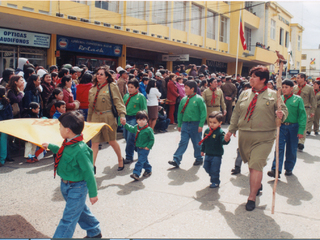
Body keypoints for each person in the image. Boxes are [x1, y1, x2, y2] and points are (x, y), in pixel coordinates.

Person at [225, 65, 288, 211]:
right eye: (250, 76)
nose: (250, 79)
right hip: (245, 135)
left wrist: (281, 115)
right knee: (252, 166)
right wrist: (231, 130)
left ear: (263, 79)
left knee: (255, 165)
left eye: (254, 76)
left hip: (264, 137)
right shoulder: (244, 94)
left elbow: (283, 111)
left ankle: (251, 197)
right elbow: (236, 113)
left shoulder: (274, 95)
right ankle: (257, 185)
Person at [42, 111, 102, 238]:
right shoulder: (68, 142)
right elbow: (64, 152)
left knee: (68, 219)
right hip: (65, 185)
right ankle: (94, 230)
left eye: (60, 127)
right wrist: (52, 147)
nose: (59, 129)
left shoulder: (81, 149)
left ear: (68, 130)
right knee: (79, 211)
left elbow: (89, 172)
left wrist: (93, 193)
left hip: (77, 187)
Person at [88, 67, 126, 173]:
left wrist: (122, 115)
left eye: (101, 74)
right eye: (97, 74)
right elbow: (90, 106)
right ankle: (92, 166)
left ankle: (120, 159)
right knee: (94, 142)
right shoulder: (93, 88)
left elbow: (118, 101)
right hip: (95, 116)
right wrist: (89, 119)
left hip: (107, 116)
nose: (98, 76)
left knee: (111, 140)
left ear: (106, 76)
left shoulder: (112, 86)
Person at [267, 80, 306, 178]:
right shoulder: (279, 99)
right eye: (283, 87)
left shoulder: (298, 99)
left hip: (293, 127)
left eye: (286, 87)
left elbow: (302, 115)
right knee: (278, 148)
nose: (284, 89)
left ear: (292, 88)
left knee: (291, 149)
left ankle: (289, 168)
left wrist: (301, 130)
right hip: (281, 126)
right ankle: (276, 169)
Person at [168, 80, 207, 167]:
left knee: (197, 142)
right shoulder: (184, 100)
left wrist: (201, 125)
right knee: (183, 142)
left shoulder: (199, 99)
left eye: (186, 88)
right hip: (185, 124)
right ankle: (176, 159)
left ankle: (199, 158)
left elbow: (203, 113)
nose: (184, 90)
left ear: (192, 89)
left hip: (195, 124)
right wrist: (179, 124)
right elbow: (180, 113)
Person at [200, 111, 230, 188]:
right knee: (206, 167)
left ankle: (215, 181)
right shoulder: (207, 131)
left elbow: (223, 141)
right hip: (208, 154)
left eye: (214, 122)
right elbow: (204, 141)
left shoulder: (220, 132)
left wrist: (227, 139)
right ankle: (213, 175)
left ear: (220, 123)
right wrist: (202, 150)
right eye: (210, 122)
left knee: (215, 170)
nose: (212, 124)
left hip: (216, 155)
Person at [122, 111, 155, 181]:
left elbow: (152, 139)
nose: (141, 122)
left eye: (143, 120)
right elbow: (130, 128)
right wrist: (125, 124)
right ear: (137, 120)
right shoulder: (136, 128)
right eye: (139, 120)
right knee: (144, 160)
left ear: (147, 120)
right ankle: (148, 170)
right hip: (138, 148)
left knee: (140, 161)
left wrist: (148, 147)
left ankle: (136, 173)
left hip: (145, 149)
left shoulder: (148, 130)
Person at [122, 79, 147, 164]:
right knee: (126, 137)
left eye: (132, 87)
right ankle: (140, 150)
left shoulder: (141, 97)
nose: (129, 89)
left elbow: (144, 110)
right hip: (126, 118)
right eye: (128, 87)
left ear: (137, 88)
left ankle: (129, 157)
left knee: (130, 138)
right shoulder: (126, 96)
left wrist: (143, 122)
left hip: (134, 119)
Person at [293, 73, 316, 151]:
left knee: (303, 125)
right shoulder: (295, 88)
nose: (297, 79)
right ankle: (295, 141)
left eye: (298, 78)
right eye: (297, 78)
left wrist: (312, 111)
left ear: (303, 79)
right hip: (295, 109)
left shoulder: (309, 88)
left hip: (305, 109)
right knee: (295, 125)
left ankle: (301, 142)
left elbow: (313, 100)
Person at [0, 85, 13, 167]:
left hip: (3, 125)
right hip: (5, 124)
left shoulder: (6, 102)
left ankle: (2, 160)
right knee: (3, 143)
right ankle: (2, 160)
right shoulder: (7, 102)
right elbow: (10, 115)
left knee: (3, 142)